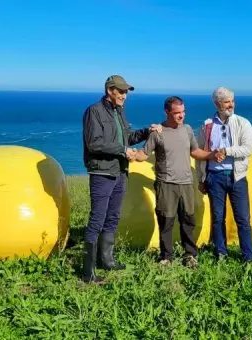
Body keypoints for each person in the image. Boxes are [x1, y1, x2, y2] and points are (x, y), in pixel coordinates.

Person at [81, 75, 162, 283]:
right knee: (97, 219)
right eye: (122, 91)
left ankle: (106, 260)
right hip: (102, 172)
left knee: (113, 216)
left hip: (119, 171)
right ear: (110, 91)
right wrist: (123, 150)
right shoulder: (94, 112)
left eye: (126, 92)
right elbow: (94, 143)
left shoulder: (119, 112)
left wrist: (147, 131)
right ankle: (88, 271)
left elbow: (129, 138)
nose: (125, 96)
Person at [133, 96, 224, 267]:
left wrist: (211, 155)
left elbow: (195, 151)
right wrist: (131, 155)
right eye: (177, 113)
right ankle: (166, 257)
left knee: (188, 221)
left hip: (186, 184)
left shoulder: (187, 130)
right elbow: (144, 154)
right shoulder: (157, 133)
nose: (181, 116)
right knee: (166, 221)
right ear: (167, 112)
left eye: (183, 112)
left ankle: (190, 255)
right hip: (165, 184)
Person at [196, 87, 252, 263]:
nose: (231, 104)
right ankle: (221, 253)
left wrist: (225, 150)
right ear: (217, 104)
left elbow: (248, 148)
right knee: (217, 218)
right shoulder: (207, 125)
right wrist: (201, 178)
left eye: (232, 100)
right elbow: (200, 152)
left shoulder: (243, 123)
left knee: (243, 219)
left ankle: (248, 256)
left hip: (237, 177)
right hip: (214, 177)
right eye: (227, 101)